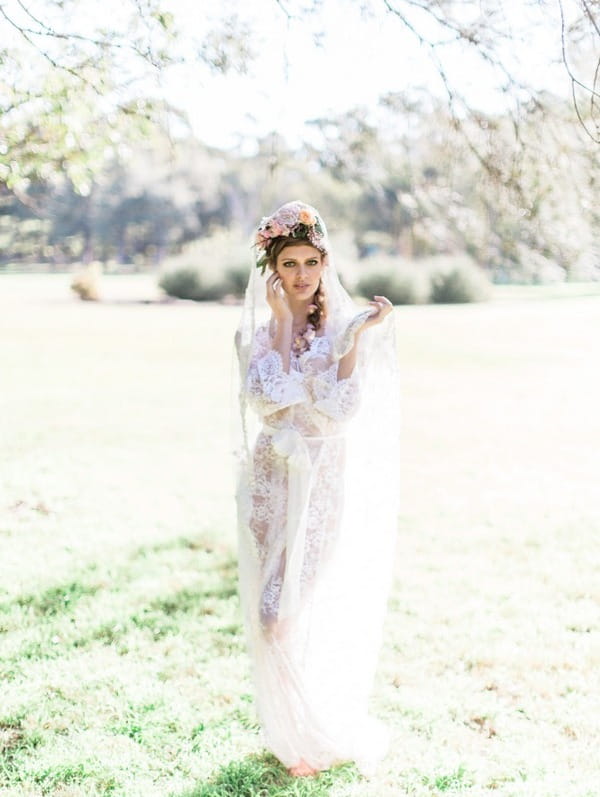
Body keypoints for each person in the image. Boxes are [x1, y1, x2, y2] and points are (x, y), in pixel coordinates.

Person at [234, 200, 400, 778]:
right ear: (272, 268)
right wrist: (281, 328)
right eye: (288, 262)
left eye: (310, 261)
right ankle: (292, 734)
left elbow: (340, 410)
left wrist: (351, 342)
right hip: (269, 481)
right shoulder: (257, 332)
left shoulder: (339, 330)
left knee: (285, 613)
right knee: (268, 613)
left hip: (322, 482)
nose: (300, 274)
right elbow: (266, 397)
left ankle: (316, 728)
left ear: (325, 264)